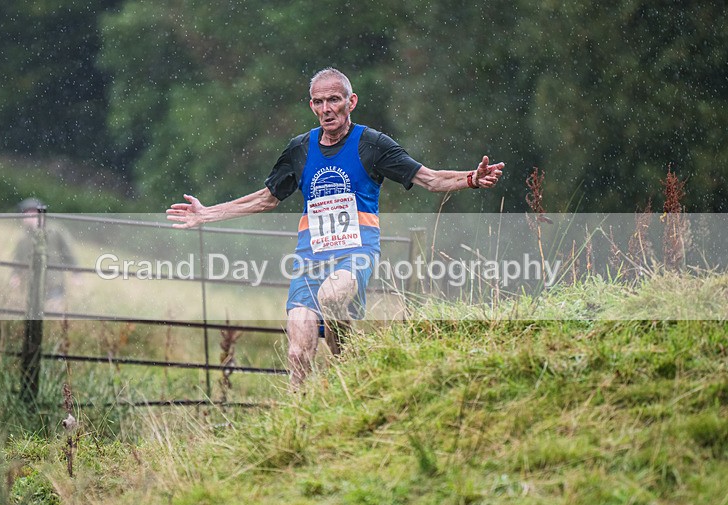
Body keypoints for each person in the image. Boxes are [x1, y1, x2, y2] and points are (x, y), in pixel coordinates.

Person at [167, 68, 503, 387]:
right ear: (311, 106)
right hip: (309, 259)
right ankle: (300, 410)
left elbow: (429, 179)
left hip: (355, 253)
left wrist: (471, 178)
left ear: (350, 102)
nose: (326, 109)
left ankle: (345, 363)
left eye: (334, 100)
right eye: (319, 102)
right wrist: (206, 214)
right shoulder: (300, 149)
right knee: (298, 352)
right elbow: (266, 199)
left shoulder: (372, 144)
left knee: (330, 297)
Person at [10, 198, 79, 313]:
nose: (29, 217)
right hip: (31, 285)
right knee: (32, 312)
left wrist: (76, 272)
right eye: (26, 214)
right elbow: (17, 259)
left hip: (54, 283)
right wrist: (15, 275)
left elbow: (68, 252)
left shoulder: (55, 231)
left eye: (32, 213)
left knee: (53, 312)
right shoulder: (23, 238)